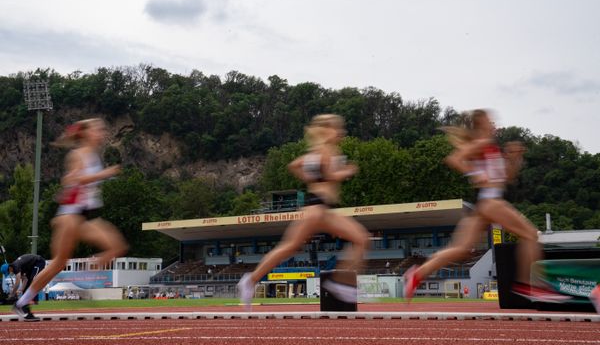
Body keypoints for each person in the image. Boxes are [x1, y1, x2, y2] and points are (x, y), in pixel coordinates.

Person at [402, 109, 569, 303]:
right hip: (491, 202)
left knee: (461, 249)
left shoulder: (492, 149)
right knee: (531, 235)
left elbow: (506, 178)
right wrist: (475, 174)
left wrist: (514, 159)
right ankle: (529, 285)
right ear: (481, 123)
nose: (494, 124)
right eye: (490, 121)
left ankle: (417, 274)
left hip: (484, 205)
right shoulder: (482, 143)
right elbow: (455, 159)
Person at [237, 114, 370, 307]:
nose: (342, 132)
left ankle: (250, 280)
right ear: (328, 131)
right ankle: (341, 283)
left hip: (317, 208)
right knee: (361, 239)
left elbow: (294, 165)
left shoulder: (317, 150)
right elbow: (330, 175)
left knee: (289, 247)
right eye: (338, 128)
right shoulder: (327, 150)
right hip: (319, 209)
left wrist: (310, 178)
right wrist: (347, 171)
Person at [12, 118, 128, 321]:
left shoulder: (93, 156)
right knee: (58, 263)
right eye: (97, 129)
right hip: (70, 216)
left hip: (84, 216)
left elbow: (77, 184)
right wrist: (103, 174)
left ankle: (90, 269)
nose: (101, 133)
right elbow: (72, 179)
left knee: (117, 246)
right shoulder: (77, 155)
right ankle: (21, 303)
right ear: (86, 134)